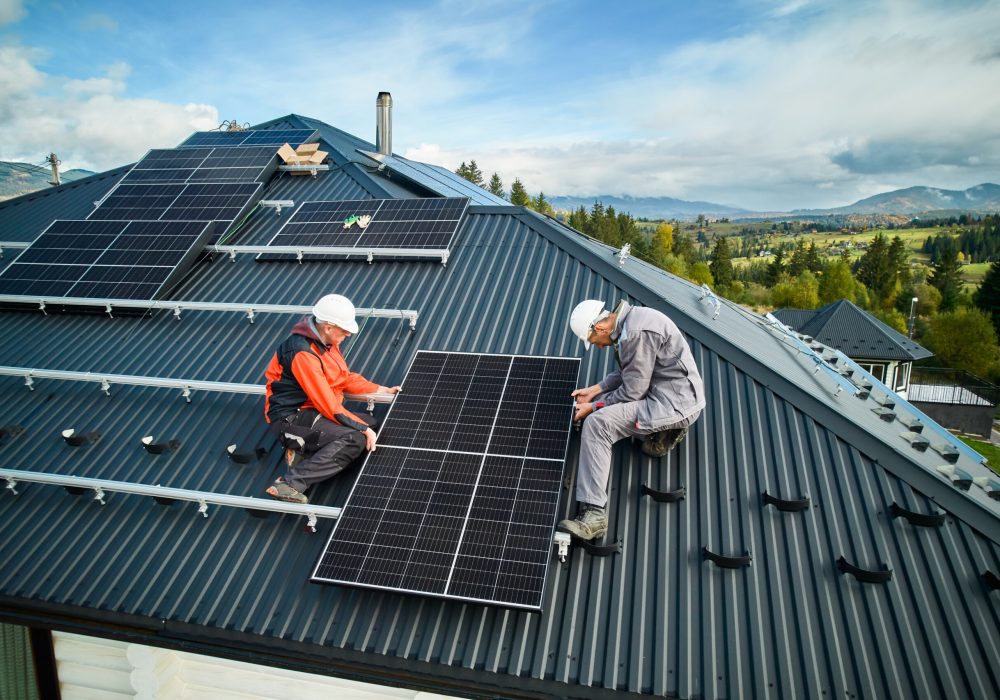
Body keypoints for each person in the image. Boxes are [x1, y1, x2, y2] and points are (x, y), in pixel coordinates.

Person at [559, 299, 705, 540]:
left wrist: (593, 407)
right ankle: (660, 432)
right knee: (606, 402)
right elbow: (630, 371)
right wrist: (596, 390)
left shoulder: (634, 333)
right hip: (665, 391)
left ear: (600, 328)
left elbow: (631, 392)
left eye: (594, 342)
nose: (598, 348)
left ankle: (594, 514)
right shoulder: (632, 321)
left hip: (673, 403)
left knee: (598, 424)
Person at [263, 294, 400, 504]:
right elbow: (327, 403)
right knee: (355, 438)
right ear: (328, 327)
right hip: (290, 418)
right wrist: (362, 430)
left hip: (311, 412)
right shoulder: (302, 353)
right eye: (344, 330)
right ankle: (289, 484)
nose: (347, 334)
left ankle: (303, 449)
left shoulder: (326, 344)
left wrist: (382, 390)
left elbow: (342, 378)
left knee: (371, 423)